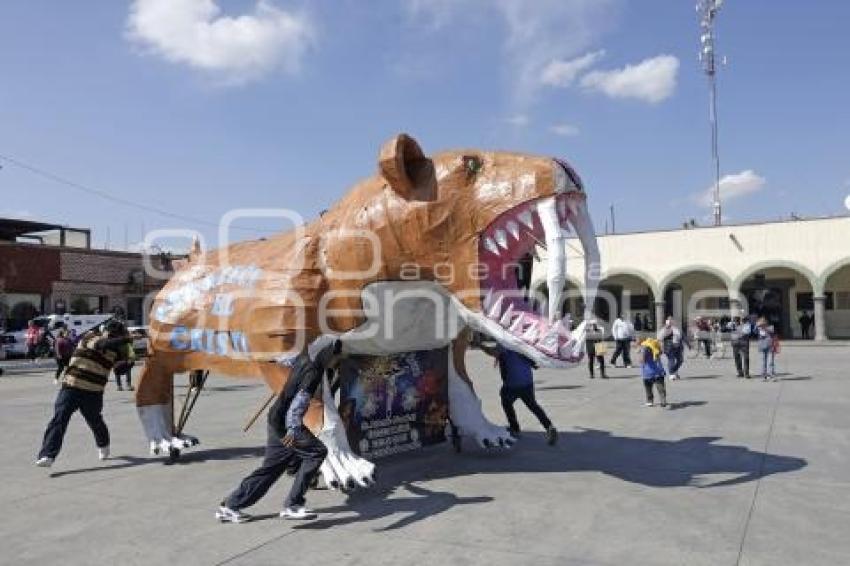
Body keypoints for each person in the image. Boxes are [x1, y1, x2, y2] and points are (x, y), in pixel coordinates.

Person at [216, 340, 342, 524]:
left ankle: (230, 506)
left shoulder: (304, 356)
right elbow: (298, 404)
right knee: (317, 452)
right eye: (336, 360)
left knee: (272, 469)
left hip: (275, 417)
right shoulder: (313, 371)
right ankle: (293, 505)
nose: (335, 364)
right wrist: (292, 430)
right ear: (330, 354)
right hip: (285, 424)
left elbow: (283, 359)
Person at [35, 320, 132, 467]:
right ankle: (48, 455)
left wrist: (129, 361)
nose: (112, 336)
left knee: (95, 421)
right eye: (111, 334)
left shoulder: (116, 350)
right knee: (59, 419)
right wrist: (127, 339)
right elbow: (101, 345)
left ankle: (103, 444)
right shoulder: (90, 337)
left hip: (93, 392)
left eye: (115, 335)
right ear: (105, 331)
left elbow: (119, 370)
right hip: (72, 386)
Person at [481, 341, 557, 445]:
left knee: (506, 401)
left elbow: (492, 352)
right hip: (527, 382)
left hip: (512, 384)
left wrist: (481, 346)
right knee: (533, 406)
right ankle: (549, 427)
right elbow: (535, 362)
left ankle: (515, 428)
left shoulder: (504, 342)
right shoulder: (522, 343)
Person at [639, 338, 667, 407]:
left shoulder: (644, 352)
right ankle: (663, 400)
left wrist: (641, 352)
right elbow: (661, 351)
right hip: (658, 373)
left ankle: (650, 401)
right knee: (661, 388)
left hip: (647, 374)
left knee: (648, 388)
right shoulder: (656, 352)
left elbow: (642, 360)